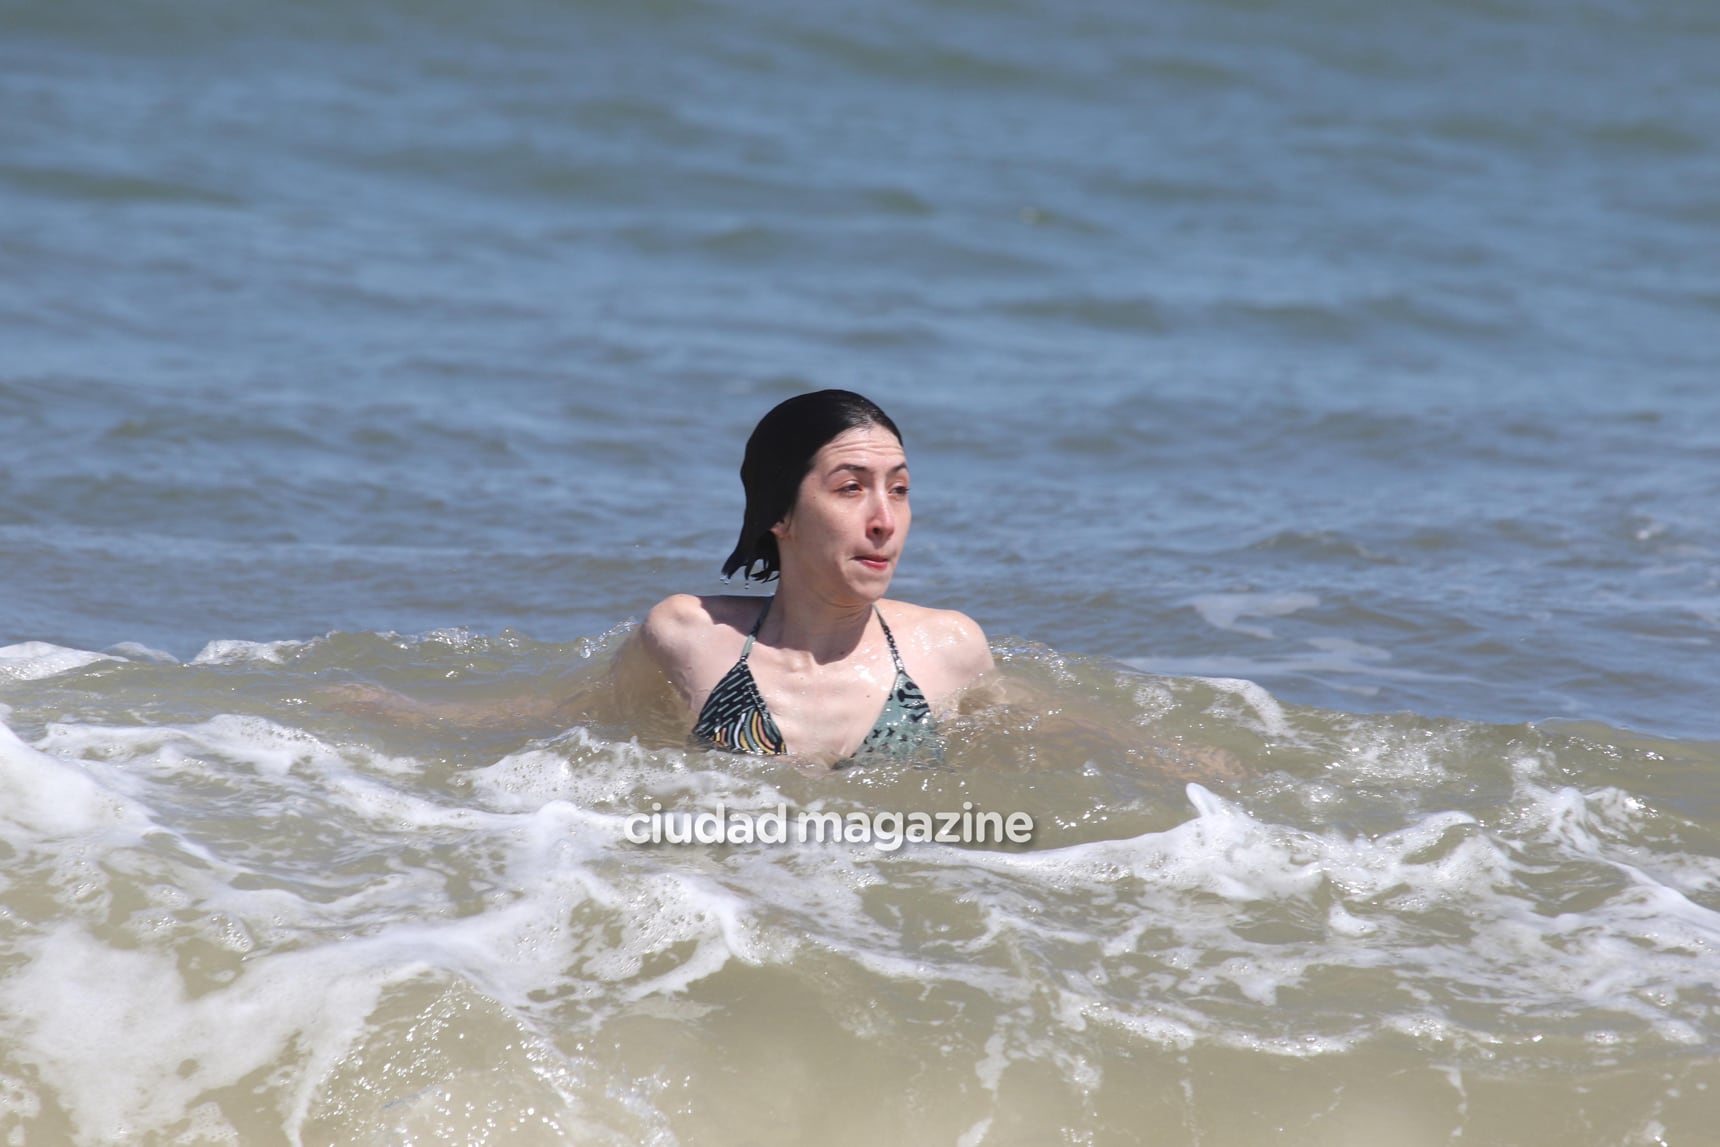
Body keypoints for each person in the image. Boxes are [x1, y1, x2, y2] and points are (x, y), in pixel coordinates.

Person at [616, 390, 994, 766]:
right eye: (851, 488)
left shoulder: (949, 648)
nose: (886, 522)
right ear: (779, 511)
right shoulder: (687, 635)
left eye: (899, 490)